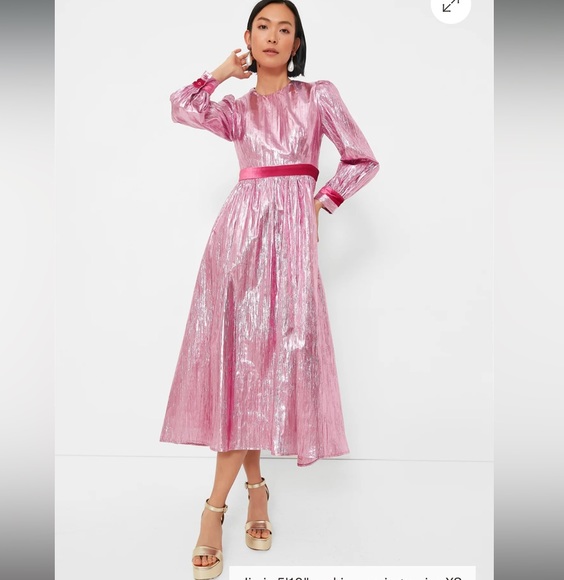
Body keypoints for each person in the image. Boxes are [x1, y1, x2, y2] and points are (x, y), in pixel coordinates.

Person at [159, 1, 380, 578]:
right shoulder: (237, 109)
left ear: (297, 42)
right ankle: (242, 497)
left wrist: (320, 202)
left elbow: (361, 159)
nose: (274, 36)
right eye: (263, 27)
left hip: (291, 243)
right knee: (241, 368)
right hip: (236, 242)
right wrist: (220, 72)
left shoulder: (317, 96)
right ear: (249, 38)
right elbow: (182, 107)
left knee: (265, 367)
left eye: (286, 29)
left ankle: (221, 506)